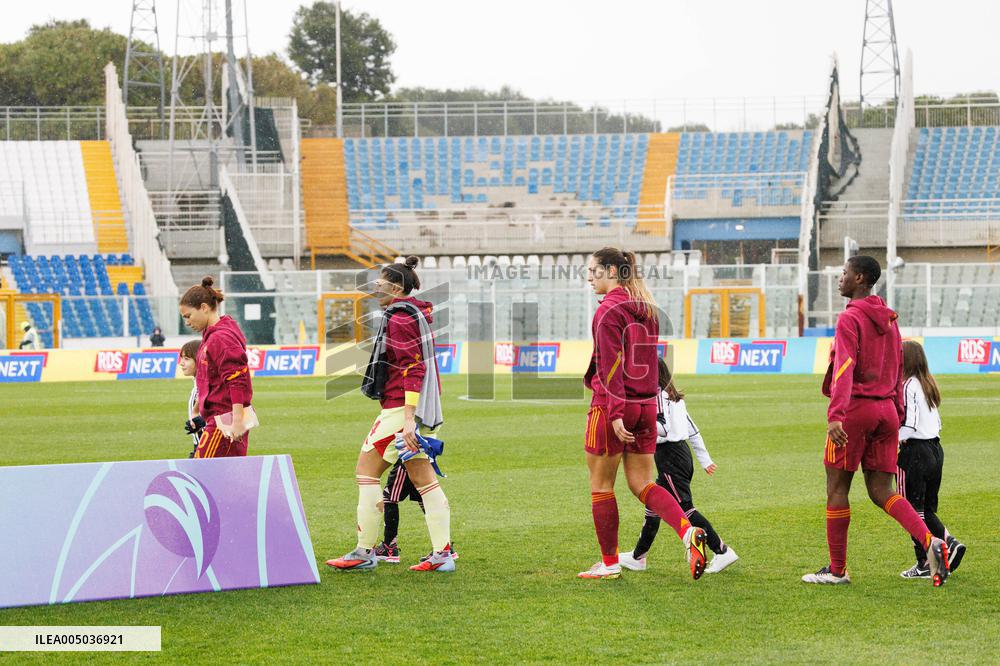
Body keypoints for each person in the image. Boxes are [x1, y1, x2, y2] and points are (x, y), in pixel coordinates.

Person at [803, 256, 950, 586]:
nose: (839, 279)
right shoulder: (890, 319)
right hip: (886, 410)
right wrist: (897, 411)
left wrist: (835, 414)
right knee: (882, 490)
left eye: (843, 274)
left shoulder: (849, 319)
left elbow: (844, 368)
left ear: (859, 278)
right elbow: (899, 367)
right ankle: (930, 542)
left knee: (837, 488)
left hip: (855, 410)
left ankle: (837, 570)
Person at [578, 247, 708, 581]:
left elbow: (610, 365)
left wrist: (616, 411)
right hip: (647, 405)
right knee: (643, 483)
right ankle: (686, 532)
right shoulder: (646, 309)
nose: (589, 277)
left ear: (610, 271)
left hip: (613, 407)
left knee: (601, 485)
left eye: (593, 271)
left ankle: (608, 564)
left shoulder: (608, 310)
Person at [327, 256, 453, 573]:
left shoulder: (399, 318)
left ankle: (364, 551)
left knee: (366, 472)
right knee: (424, 480)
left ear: (395, 286)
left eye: (380, 280)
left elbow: (413, 368)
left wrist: (408, 418)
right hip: (422, 409)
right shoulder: (415, 314)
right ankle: (443, 555)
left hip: (401, 409)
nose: (375, 284)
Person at [620, 357, 738, 574]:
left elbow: (662, 430)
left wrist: (638, 428)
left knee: (685, 509)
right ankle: (638, 556)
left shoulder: (656, 396)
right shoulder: (674, 398)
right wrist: (705, 459)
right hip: (680, 454)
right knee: (653, 507)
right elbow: (692, 430)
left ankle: (722, 551)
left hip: (670, 456)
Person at [897, 340, 966, 579]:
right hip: (935, 449)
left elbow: (911, 423)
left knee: (910, 510)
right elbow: (937, 423)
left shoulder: (908, 385)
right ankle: (951, 543)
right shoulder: (928, 384)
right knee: (926, 509)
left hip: (915, 451)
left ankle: (924, 563)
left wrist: (896, 439)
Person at [178, 277, 253, 459]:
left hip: (224, 421)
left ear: (204, 308)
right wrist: (202, 417)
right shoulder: (212, 334)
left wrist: (236, 421)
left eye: (188, 316)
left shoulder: (220, 338)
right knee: (226, 480)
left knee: (202, 477)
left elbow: (237, 381)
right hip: (218, 418)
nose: (187, 322)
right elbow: (215, 383)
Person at [373, 460, 459, 564]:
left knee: (390, 498)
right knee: (426, 497)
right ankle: (445, 546)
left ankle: (389, 547)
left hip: (408, 456)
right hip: (421, 455)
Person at [179, 340, 204, 459]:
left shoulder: (205, 387)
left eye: (186, 359)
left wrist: (204, 421)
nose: (181, 363)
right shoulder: (197, 387)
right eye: (181, 358)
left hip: (207, 452)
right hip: (199, 449)